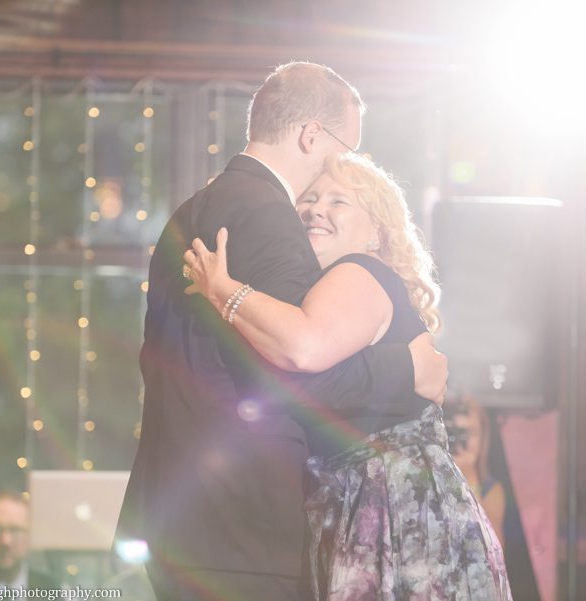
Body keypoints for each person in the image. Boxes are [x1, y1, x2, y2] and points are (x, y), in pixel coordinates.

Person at [116, 62, 448, 601]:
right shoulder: (268, 216)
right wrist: (409, 368)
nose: (338, 166)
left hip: (177, 514)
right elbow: (297, 370)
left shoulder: (191, 209)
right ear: (311, 134)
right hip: (241, 527)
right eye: (343, 146)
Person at [184, 153, 512, 600]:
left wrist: (223, 290)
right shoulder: (331, 290)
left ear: (377, 231)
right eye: (310, 198)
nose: (317, 208)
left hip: (397, 514)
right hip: (377, 508)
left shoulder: (360, 269)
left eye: (339, 201)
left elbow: (304, 350)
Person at [449, 394, 507, 549]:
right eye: (458, 433)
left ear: (482, 439)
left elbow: (496, 549)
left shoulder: (490, 488)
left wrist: (470, 479)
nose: (464, 441)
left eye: (471, 433)